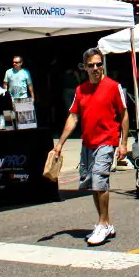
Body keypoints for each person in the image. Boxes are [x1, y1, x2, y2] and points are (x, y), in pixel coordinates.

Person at [54, 47, 128, 247]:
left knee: (99, 179)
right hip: (88, 143)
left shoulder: (113, 87)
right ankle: (106, 222)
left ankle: (102, 224)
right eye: (91, 65)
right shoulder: (81, 90)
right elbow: (73, 117)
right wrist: (60, 144)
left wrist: (123, 143)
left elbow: (124, 115)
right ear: (84, 68)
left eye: (99, 64)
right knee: (93, 186)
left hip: (107, 140)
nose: (96, 68)